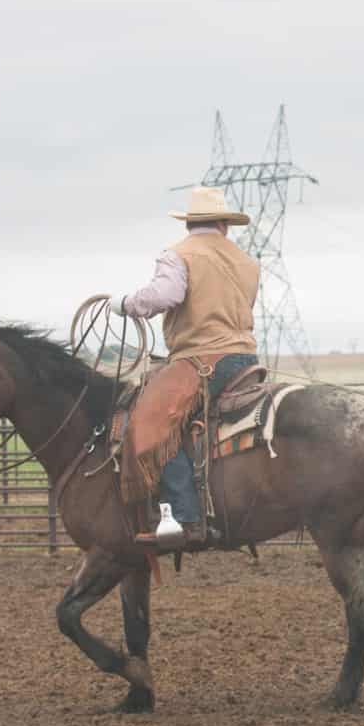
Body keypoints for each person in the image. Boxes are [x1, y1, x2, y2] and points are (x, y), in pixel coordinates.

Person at [115, 186, 261, 550]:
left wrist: (125, 304)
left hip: (200, 361)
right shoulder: (247, 261)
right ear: (224, 224)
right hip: (245, 358)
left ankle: (184, 517)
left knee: (153, 422)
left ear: (190, 224)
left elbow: (165, 296)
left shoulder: (179, 255)